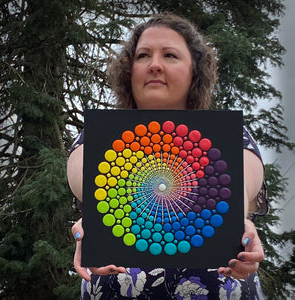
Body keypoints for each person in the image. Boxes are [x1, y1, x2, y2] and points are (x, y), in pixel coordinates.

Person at [67, 13, 268, 299]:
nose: (155, 65)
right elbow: (85, 180)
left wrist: (239, 221)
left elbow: (241, 185)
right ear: (129, 70)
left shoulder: (233, 135)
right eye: (143, 56)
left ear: (194, 72)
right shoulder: (96, 135)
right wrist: (97, 219)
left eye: (170, 55)